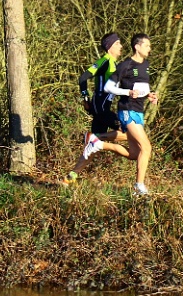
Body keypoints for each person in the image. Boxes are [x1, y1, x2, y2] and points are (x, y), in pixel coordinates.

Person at [62, 32, 132, 185]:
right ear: (110, 46)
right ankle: (96, 138)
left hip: (102, 107)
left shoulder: (115, 65)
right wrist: (85, 98)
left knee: (92, 147)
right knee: (130, 132)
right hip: (100, 107)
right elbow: (83, 77)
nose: (121, 46)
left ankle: (70, 177)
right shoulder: (105, 61)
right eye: (118, 43)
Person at [105, 33, 157, 196]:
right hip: (127, 110)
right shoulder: (125, 65)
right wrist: (126, 92)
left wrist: (149, 95)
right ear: (137, 46)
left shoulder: (146, 65)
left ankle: (98, 144)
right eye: (147, 45)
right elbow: (108, 87)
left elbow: (141, 87)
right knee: (146, 147)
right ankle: (138, 187)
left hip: (139, 111)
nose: (149, 49)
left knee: (134, 154)